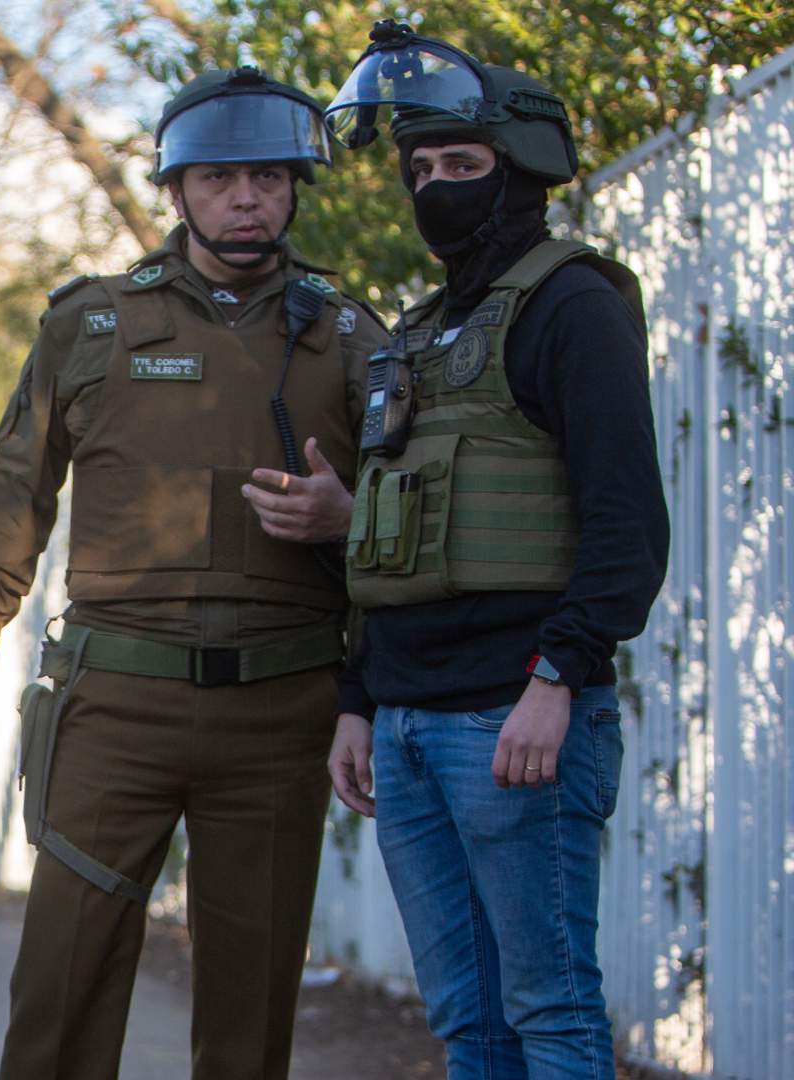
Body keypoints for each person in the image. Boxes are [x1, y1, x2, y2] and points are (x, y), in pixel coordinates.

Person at [0, 66, 388, 1080]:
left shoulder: (350, 339)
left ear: (294, 190)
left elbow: (409, 520)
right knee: (60, 986)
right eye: (220, 178)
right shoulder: (88, 327)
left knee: (252, 1002)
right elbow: (15, 491)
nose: (245, 200)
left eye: (268, 179)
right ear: (176, 191)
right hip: (116, 705)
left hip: (281, 711)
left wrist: (346, 521)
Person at [322, 22, 668, 1079]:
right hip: (413, 719)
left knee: (550, 1012)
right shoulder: (421, 331)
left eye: (460, 166)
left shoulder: (572, 306)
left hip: (513, 715)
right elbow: (395, 532)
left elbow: (628, 525)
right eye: (419, 169)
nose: (435, 188)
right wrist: (358, 698)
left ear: (522, 174)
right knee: (467, 1020)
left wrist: (558, 676)